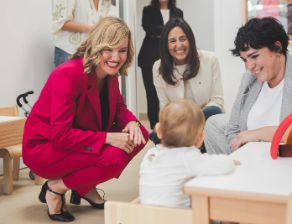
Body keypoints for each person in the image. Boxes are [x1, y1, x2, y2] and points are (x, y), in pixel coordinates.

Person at [22, 16, 149, 222]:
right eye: (109, 49)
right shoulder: (67, 74)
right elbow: (60, 134)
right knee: (113, 158)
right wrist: (108, 138)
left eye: (122, 50)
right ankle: (55, 188)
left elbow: (119, 109)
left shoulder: (110, 74)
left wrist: (132, 122)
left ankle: (82, 186)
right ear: (96, 46)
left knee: (140, 133)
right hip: (45, 148)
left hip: (75, 140)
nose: (116, 57)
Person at [205, 17, 292, 155]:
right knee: (213, 123)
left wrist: (256, 134)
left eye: (254, 56)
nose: (249, 66)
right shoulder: (249, 79)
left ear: (277, 47)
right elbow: (233, 128)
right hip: (251, 156)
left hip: (283, 159)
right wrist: (243, 152)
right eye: (245, 60)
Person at [139, 99, 238, 208]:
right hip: (178, 217)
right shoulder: (188, 157)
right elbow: (221, 165)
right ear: (200, 139)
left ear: (158, 131)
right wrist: (230, 161)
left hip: (146, 216)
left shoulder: (150, 155)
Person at [152, 17, 224, 146]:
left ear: (190, 40)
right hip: (178, 122)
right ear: (165, 45)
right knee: (157, 134)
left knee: (213, 112)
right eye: (172, 41)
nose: (179, 45)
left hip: (206, 119)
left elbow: (217, 101)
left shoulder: (210, 59)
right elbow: (165, 106)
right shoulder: (158, 67)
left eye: (183, 39)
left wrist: (193, 121)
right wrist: (180, 123)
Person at [138, 0, 183, 131]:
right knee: (151, 93)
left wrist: (161, 31)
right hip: (148, 57)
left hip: (172, 57)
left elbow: (181, 31)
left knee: (173, 90)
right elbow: (148, 28)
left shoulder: (178, 12)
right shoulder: (148, 10)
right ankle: (155, 127)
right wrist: (170, 29)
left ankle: (172, 125)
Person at [52, 0, 112, 67]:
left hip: (92, 54)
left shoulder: (106, 1)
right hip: (68, 52)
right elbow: (60, 23)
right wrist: (94, 29)